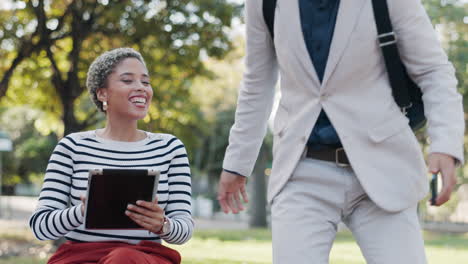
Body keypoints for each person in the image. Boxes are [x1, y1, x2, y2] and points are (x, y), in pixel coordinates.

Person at [217, 0, 464, 263]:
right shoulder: (264, 3)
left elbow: (433, 71)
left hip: (383, 165)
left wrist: (445, 144)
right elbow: (257, 81)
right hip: (302, 169)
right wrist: (237, 164)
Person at [29, 48, 193, 264]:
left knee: (123, 258)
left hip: (142, 258)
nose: (141, 88)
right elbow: (41, 227)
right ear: (102, 93)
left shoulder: (170, 148)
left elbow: (185, 229)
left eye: (145, 82)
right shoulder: (72, 147)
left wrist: (161, 224)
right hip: (81, 257)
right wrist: (83, 211)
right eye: (127, 80)